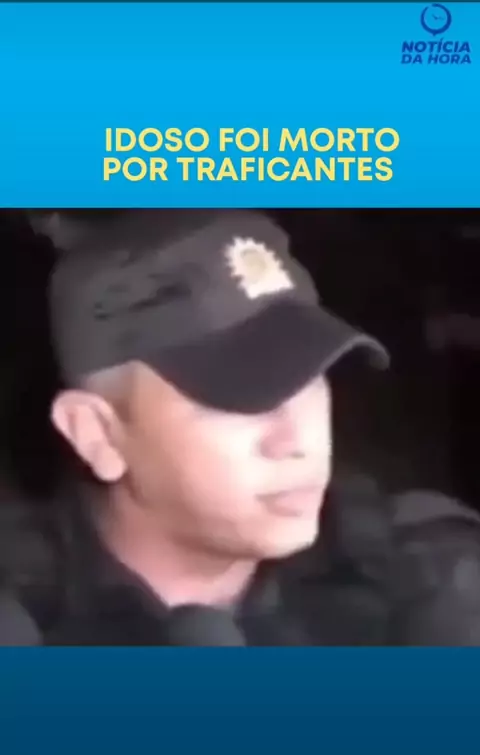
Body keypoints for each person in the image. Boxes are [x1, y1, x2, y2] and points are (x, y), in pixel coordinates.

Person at [2, 208, 480, 646]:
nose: (296, 440)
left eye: (311, 381)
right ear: (97, 434)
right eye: (238, 398)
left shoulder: (426, 570)